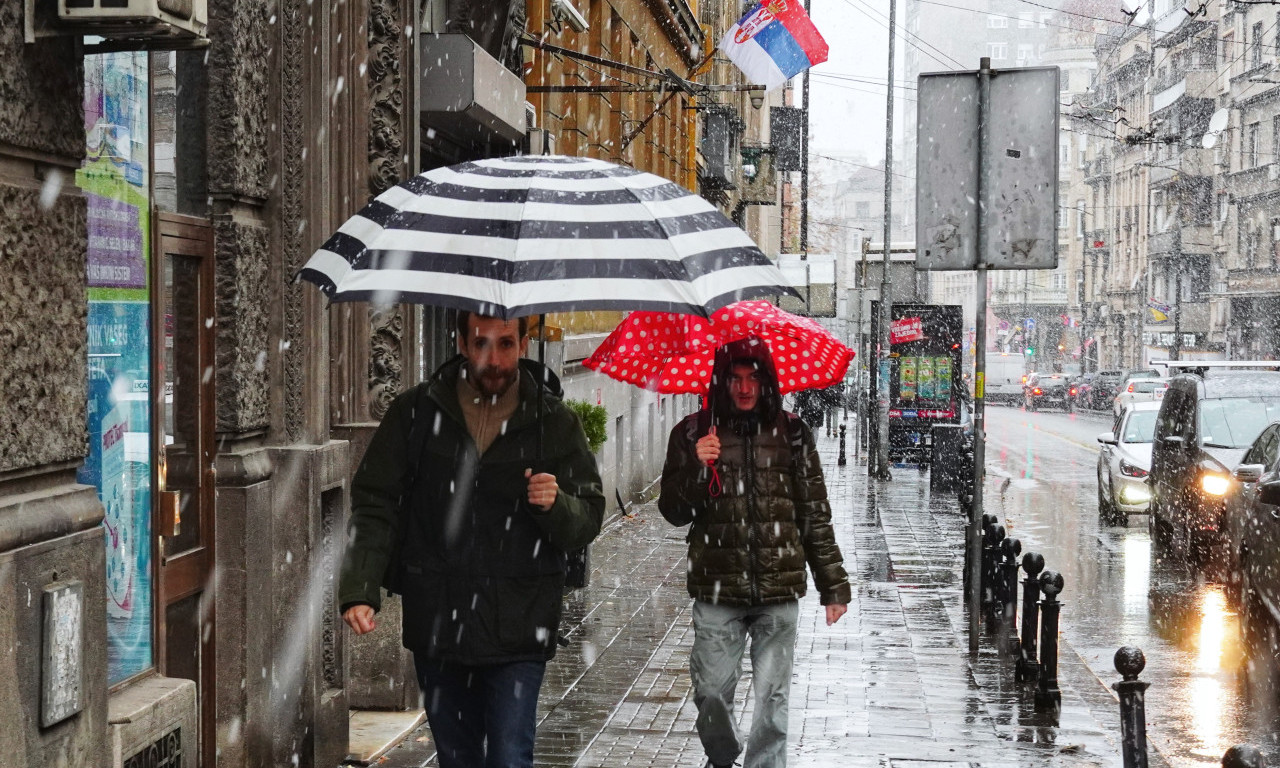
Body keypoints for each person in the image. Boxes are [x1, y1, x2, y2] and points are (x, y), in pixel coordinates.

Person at [338, 311, 605, 768]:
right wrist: (360, 587)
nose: (493, 359)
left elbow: (588, 516)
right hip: (439, 618)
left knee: (509, 757)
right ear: (461, 343)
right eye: (481, 343)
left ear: (523, 344)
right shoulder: (416, 413)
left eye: (505, 343)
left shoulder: (552, 422)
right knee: (458, 758)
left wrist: (556, 504)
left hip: (520, 620)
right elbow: (376, 501)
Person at [658, 337, 851, 768]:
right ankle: (724, 755)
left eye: (753, 378)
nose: (744, 388)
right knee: (710, 692)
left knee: (772, 702)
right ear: (720, 382)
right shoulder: (691, 432)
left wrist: (833, 585)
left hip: (778, 587)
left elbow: (813, 512)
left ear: (767, 383)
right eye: (735, 378)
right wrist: (697, 466)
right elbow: (672, 511)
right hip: (716, 587)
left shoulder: (793, 433)